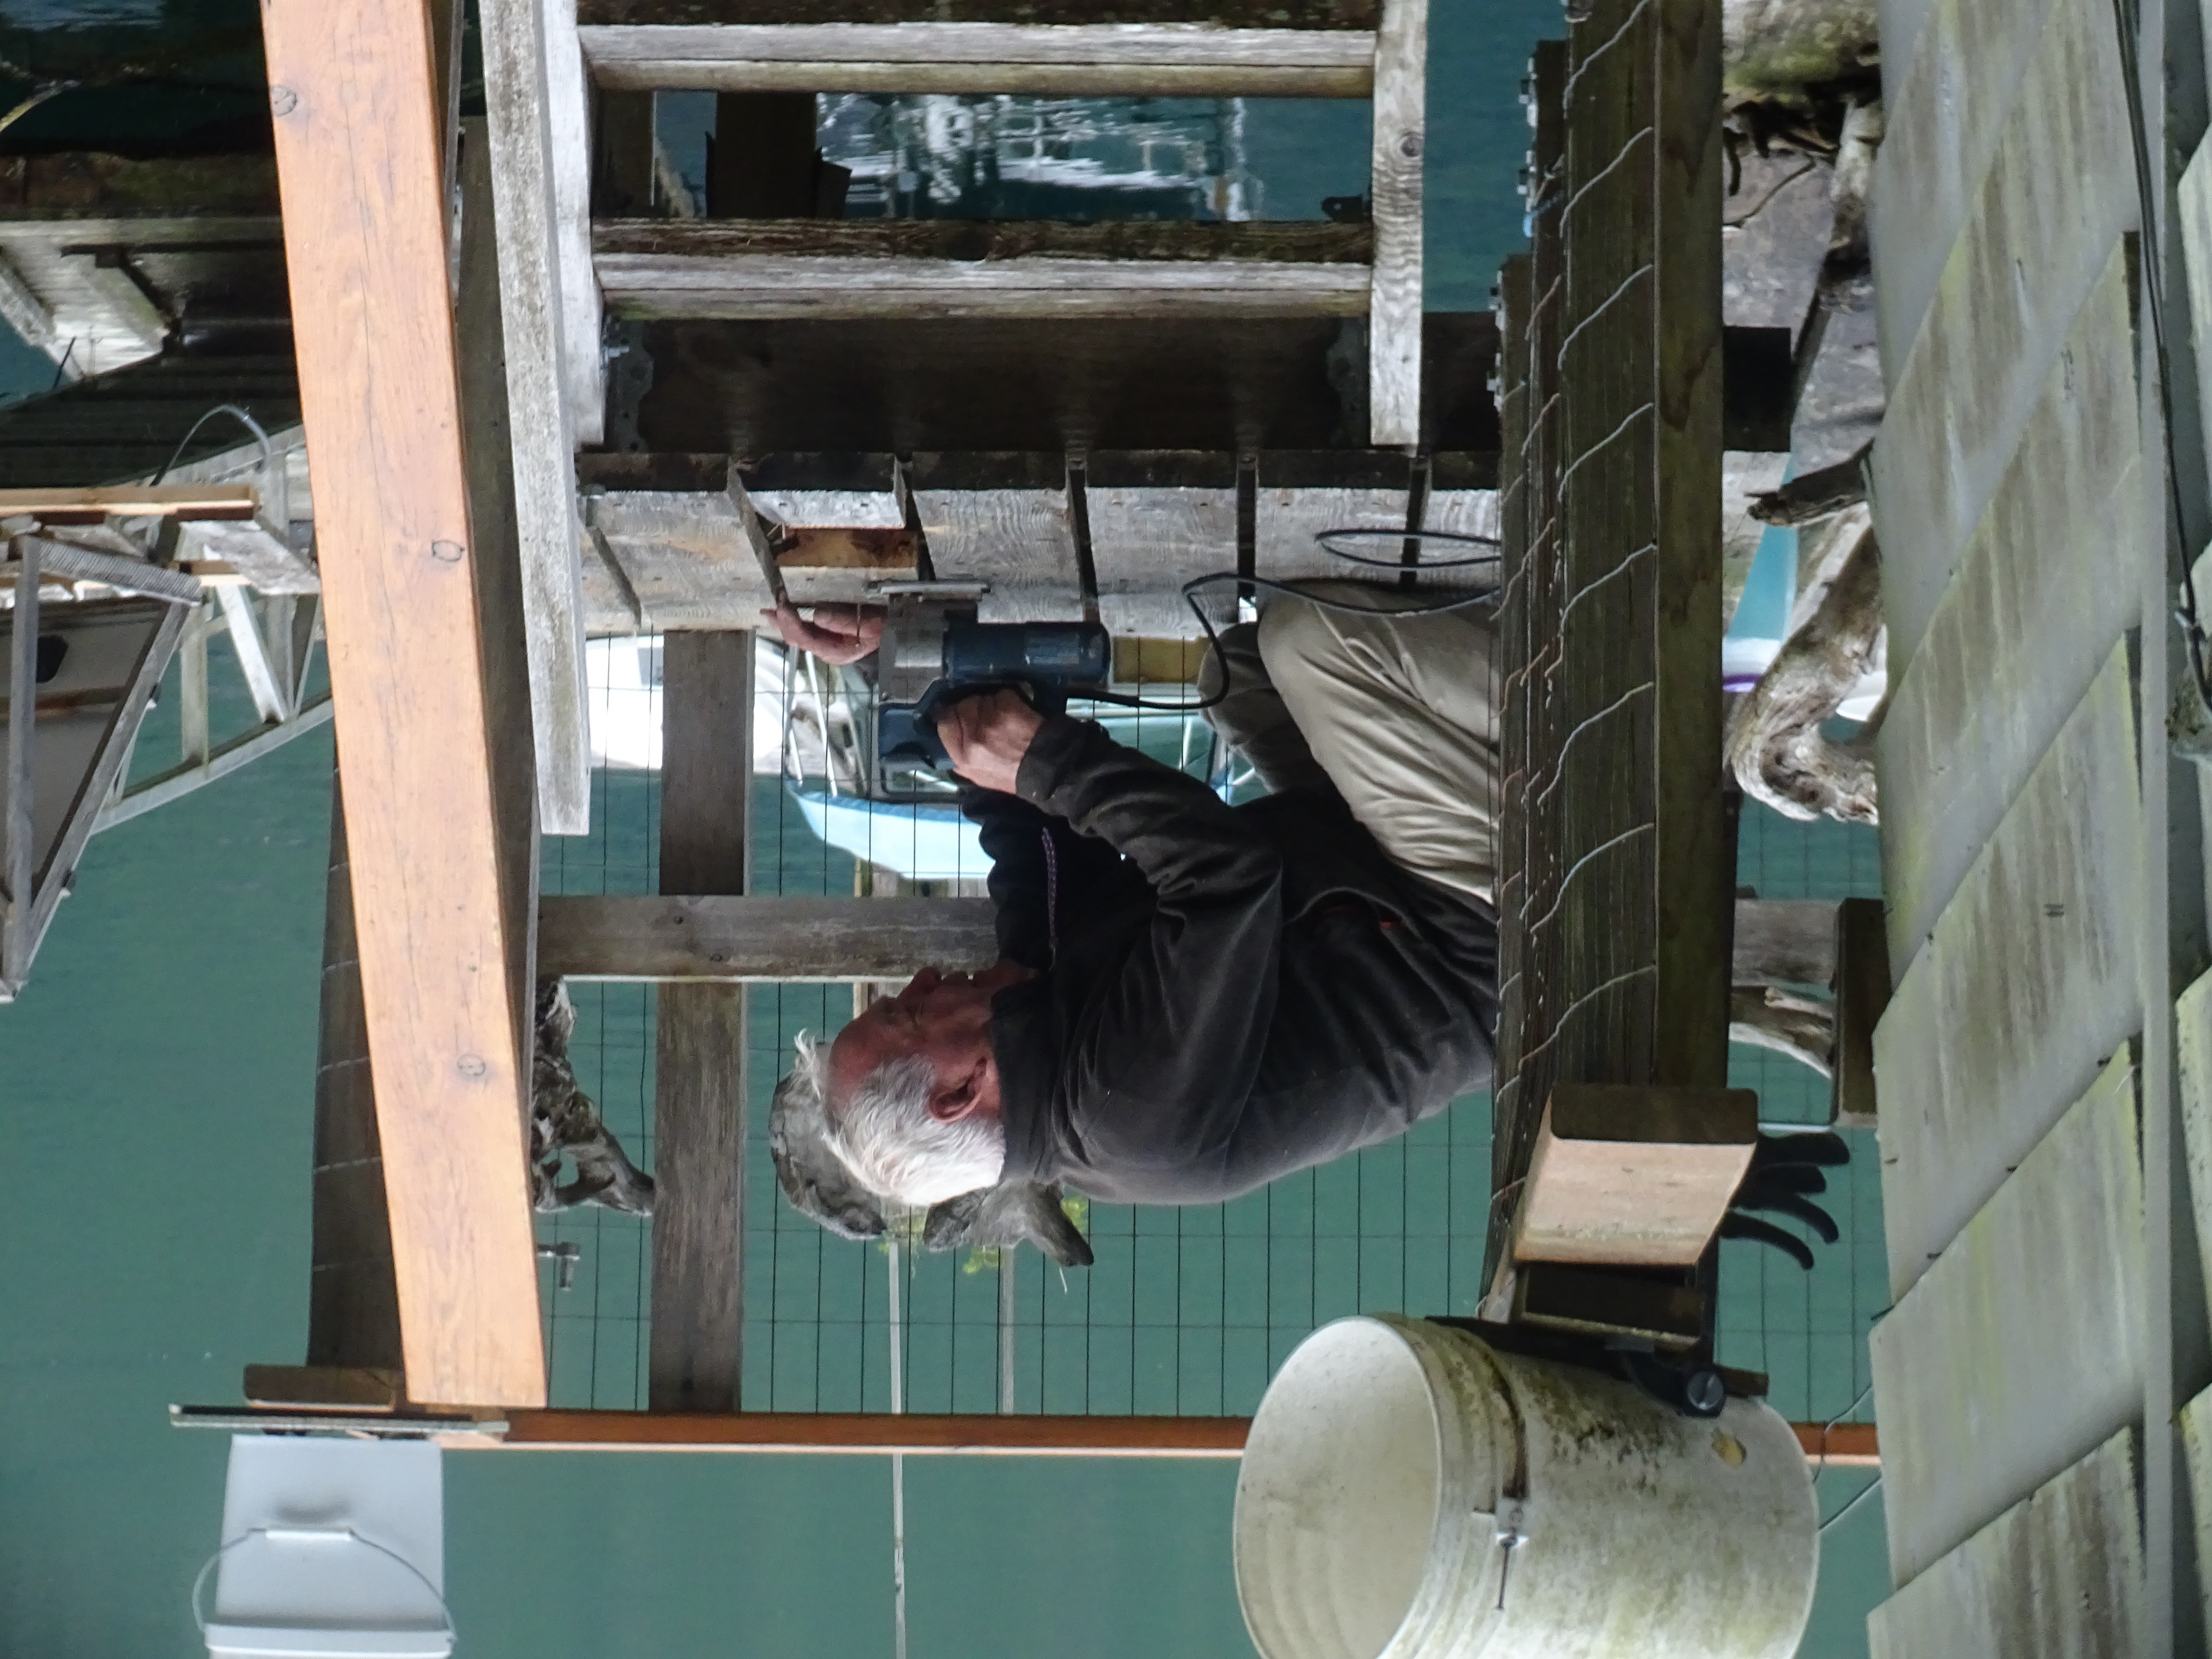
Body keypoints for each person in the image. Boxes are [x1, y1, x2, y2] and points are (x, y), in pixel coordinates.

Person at [763, 586, 1502, 1210]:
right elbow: (1229, 881)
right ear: (959, 1093)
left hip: (1373, 872)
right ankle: (1565, 696)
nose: (922, 981)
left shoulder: (1033, 1011)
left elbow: (1029, 830)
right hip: (1479, 925)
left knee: (1239, 673)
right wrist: (1051, 762)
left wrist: (916, 664)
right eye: (907, 1014)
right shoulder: (1128, 1119)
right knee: (1309, 641)